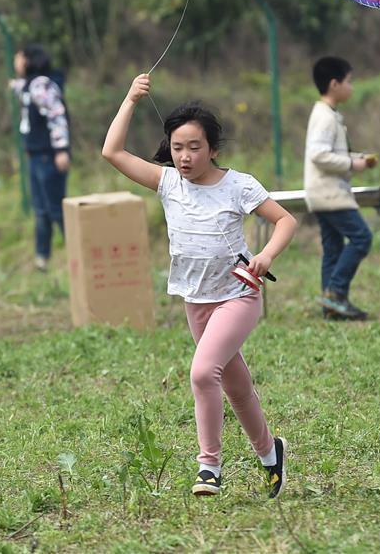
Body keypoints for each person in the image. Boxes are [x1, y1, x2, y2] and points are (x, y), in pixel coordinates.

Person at [102, 73, 297, 498]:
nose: (185, 157)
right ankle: (270, 454)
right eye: (177, 148)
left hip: (239, 295)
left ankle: (209, 467)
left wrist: (265, 257)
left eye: (194, 147)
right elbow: (112, 151)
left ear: (213, 149)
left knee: (201, 373)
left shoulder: (238, 184)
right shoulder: (168, 182)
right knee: (236, 386)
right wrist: (131, 99)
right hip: (197, 300)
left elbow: (286, 220)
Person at [304, 56, 377, 320]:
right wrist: (350, 163)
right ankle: (335, 292)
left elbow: (328, 152)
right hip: (330, 193)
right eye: (349, 81)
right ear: (334, 84)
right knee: (361, 237)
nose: (352, 87)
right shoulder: (325, 117)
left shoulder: (327, 114)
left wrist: (356, 158)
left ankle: (331, 307)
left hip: (321, 193)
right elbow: (318, 155)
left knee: (333, 246)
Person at [10, 44, 71, 271]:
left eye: (18, 57)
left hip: (49, 155)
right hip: (36, 156)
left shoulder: (41, 85)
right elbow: (22, 90)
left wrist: (61, 150)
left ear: (27, 60)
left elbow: (57, 117)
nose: (16, 62)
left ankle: (77, 252)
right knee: (41, 209)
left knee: (56, 209)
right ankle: (41, 258)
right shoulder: (30, 85)